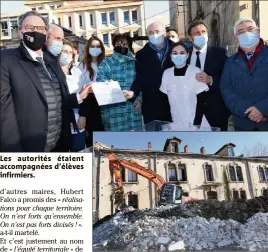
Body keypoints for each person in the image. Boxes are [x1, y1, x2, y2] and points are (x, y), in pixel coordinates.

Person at [0, 11, 90, 152]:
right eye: (29, 28)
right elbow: (4, 115)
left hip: (59, 146)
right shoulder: (6, 60)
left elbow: (60, 100)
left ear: (46, 34)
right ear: (20, 32)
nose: (35, 32)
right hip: (30, 150)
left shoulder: (52, 61)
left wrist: (80, 96)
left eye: (40, 29)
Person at [220, 17, 268, 131]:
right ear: (235, 38)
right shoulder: (230, 62)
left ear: (258, 31)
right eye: (241, 32)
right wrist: (246, 110)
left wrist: (262, 109)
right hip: (243, 125)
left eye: (250, 29)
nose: (247, 33)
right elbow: (226, 89)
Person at [187, 20, 230, 131]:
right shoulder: (184, 55)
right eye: (197, 33)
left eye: (203, 31)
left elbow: (228, 79)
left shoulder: (219, 53)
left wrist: (210, 79)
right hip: (191, 110)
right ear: (190, 38)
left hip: (216, 109)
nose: (201, 35)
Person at [130, 21, 174, 124]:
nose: (154, 35)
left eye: (157, 31)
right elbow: (140, 78)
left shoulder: (177, 49)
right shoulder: (141, 54)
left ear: (164, 33)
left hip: (175, 102)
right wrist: (135, 94)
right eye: (150, 33)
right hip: (152, 104)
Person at [96, 33, 142, 131]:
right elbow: (100, 82)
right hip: (113, 111)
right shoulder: (106, 63)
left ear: (129, 46)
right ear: (114, 45)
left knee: (135, 142)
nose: (122, 46)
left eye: (125, 44)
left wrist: (139, 98)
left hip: (132, 109)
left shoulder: (136, 63)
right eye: (118, 43)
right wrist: (108, 85)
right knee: (114, 144)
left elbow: (141, 82)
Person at [160, 42, 210, 129]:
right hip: (175, 122)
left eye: (182, 53)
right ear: (171, 56)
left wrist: (196, 124)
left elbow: (202, 100)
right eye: (175, 53)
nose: (178, 55)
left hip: (195, 121)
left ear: (187, 56)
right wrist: (167, 121)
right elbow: (164, 100)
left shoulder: (195, 71)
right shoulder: (167, 73)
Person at [77, 36, 105, 146]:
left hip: (106, 109)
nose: (95, 48)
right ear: (88, 48)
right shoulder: (82, 66)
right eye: (92, 46)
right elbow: (81, 93)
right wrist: (82, 115)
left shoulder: (107, 64)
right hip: (91, 110)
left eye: (98, 46)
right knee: (94, 144)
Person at [59, 39, 86, 151]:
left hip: (78, 119)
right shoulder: (51, 73)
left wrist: (83, 116)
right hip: (60, 122)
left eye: (70, 52)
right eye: (64, 51)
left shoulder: (77, 72)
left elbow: (86, 96)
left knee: (79, 151)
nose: (68, 55)